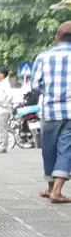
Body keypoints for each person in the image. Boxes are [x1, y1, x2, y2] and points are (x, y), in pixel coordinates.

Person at [34, 21, 71, 203]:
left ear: (57, 37)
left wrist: (51, 92)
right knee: (65, 150)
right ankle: (55, 190)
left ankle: (52, 189)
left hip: (50, 111)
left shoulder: (44, 57)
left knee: (48, 150)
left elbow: (36, 85)